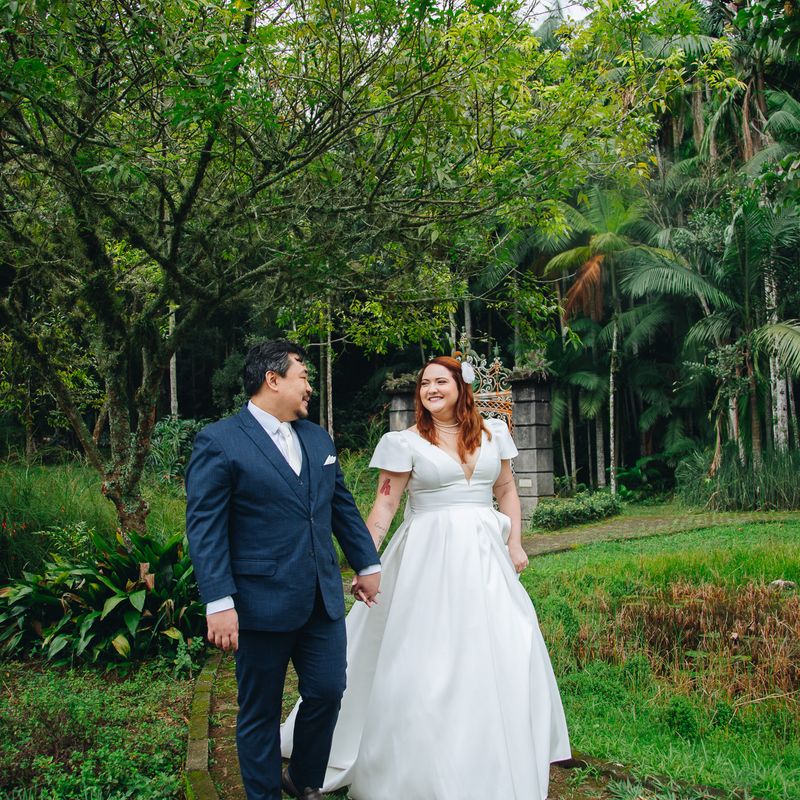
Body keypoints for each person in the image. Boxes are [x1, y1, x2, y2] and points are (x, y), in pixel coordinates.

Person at [282, 355, 571, 799]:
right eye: (423, 384)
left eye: (440, 381)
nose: (430, 389)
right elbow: (384, 506)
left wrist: (515, 543)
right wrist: (366, 560)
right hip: (427, 559)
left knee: (507, 644)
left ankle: (494, 748)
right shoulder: (405, 442)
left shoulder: (495, 432)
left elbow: (507, 489)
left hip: (487, 559)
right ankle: (418, 761)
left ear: (461, 386)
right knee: (428, 656)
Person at [186, 339, 381, 800]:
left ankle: (304, 779)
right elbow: (205, 528)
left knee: (329, 690)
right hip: (258, 602)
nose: (309, 386)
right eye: (303, 376)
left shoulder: (317, 438)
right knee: (259, 710)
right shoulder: (220, 440)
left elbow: (340, 507)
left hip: (321, 599)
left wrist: (367, 562)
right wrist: (219, 601)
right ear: (272, 379)